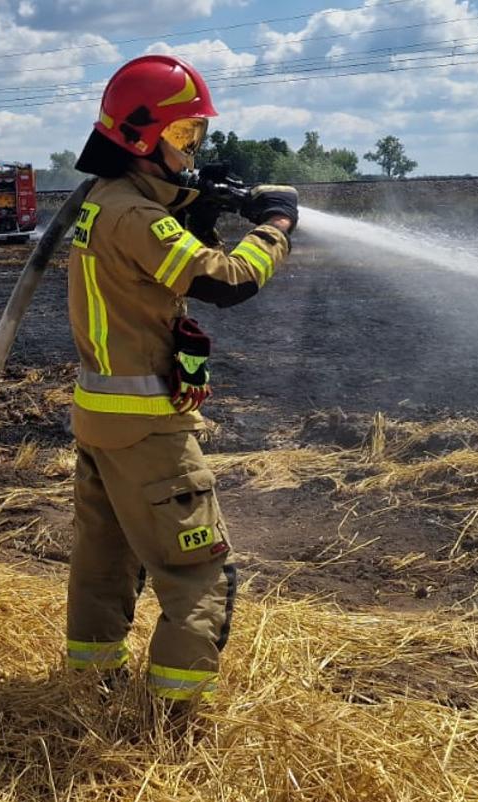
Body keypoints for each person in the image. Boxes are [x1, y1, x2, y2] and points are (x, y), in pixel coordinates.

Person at [58, 54, 299, 712]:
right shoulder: (136, 218)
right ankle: (171, 720)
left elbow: (153, 230)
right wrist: (274, 227)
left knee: (105, 571)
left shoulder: (106, 203)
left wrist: (207, 196)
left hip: (102, 424)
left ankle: (89, 691)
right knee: (198, 574)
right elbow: (226, 280)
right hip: (149, 431)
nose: (192, 150)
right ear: (141, 137)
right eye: (184, 136)